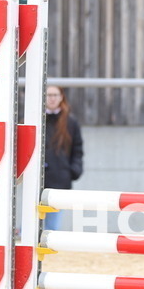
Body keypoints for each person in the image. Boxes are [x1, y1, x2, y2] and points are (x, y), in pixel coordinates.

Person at [42, 85, 84, 232]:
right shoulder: (34, 119)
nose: (52, 98)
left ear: (61, 97)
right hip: (38, 180)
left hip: (60, 179)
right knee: (32, 224)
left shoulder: (70, 122)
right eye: (48, 95)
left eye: (55, 95)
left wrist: (74, 170)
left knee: (52, 226)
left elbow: (77, 149)